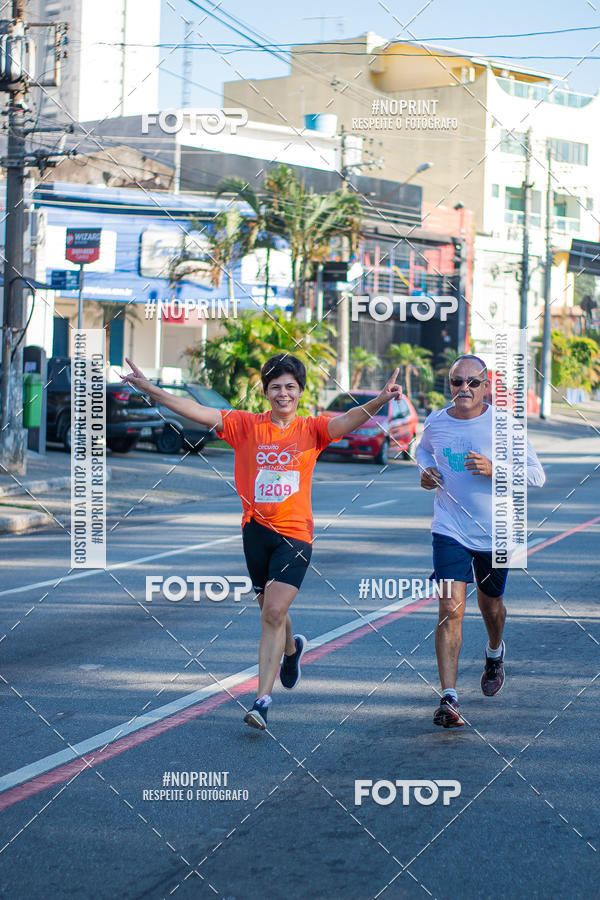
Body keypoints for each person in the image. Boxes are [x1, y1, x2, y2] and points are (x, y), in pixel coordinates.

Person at [122, 354, 403, 730]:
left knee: (272, 612)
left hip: (295, 535)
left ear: (300, 391)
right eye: (276, 387)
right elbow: (195, 409)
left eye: (290, 386)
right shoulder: (244, 425)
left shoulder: (313, 429)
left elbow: (346, 421)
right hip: (255, 533)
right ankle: (291, 649)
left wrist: (380, 400)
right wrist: (151, 390)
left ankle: (261, 701)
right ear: (267, 392)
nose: (283, 393)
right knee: (270, 611)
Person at [416, 354, 545, 728]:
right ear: (450, 385)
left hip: (496, 531)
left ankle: (494, 651)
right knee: (449, 608)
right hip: (449, 528)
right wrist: (426, 470)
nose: (464, 389)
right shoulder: (436, 422)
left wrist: (496, 469)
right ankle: (450, 697)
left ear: (486, 387)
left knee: (491, 608)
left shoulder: (504, 426)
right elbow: (423, 449)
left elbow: (537, 476)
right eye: (457, 382)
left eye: (473, 382)